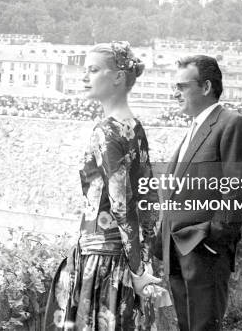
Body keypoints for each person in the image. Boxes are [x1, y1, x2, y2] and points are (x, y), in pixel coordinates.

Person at [43, 42, 163, 330]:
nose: (85, 77)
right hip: (126, 256)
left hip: (104, 259)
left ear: (118, 77)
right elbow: (149, 202)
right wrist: (143, 260)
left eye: (94, 70)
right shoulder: (135, 126)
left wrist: (135, 271)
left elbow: (121, 206)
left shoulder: (106, 131)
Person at [156, 55, 242, 331]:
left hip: (205, 253)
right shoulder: (192, 129)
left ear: (206, 87)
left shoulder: (233, 124)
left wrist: (213, 239)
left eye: (181, 86)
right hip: (177, 251)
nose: (175, 93)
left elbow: (239, 190)